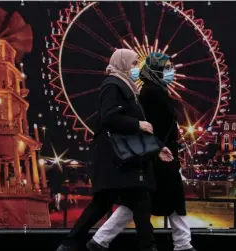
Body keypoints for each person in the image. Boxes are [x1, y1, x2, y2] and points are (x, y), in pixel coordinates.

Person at [56, 49, 173, 251]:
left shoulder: (128, 89)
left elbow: (135, 130)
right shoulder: (113, 85)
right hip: (116, 160)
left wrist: (158, 148)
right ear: (122, 63)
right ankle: (72, 243)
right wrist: (138, 124)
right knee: (107, 202)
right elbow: (109, 118)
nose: (137, 67)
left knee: (138, 203)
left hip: (126, 160)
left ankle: (75, 243)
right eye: (134, 62)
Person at [87, 52, 196, 251]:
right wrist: (158, 149)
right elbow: (150, 125)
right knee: (163, 199)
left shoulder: (153, 91)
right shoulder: (151, 93)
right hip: (159, 155)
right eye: (167, 68)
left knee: (139, 201)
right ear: (156, 70)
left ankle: (100, 240)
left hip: (158, 153)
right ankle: (183, 244)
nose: (171, 71)